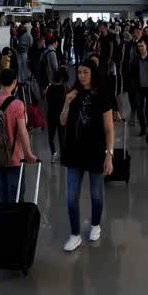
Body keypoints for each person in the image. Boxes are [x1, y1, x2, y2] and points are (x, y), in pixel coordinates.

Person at [59, 59, 114, 251]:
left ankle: (95, 224)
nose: (81, 76)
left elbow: (108, 128)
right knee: (71, 196)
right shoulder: (73, 94)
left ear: (93, 73)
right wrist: (67, 102)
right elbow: (63, 121)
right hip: (74, 152)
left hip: (95, 152)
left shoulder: (102, 96)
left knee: (95, 194)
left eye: (85, 72)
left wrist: (109, 155)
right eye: (79, 72)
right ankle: (74, 234)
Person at [0, 68, 37, 204]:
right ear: (15, 82)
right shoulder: (17, 105)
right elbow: (23, 132)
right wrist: (28, 153)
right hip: (14, 157)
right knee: (16, 195)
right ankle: (15, 222)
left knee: (2, 190)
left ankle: (3, 221)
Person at [129, 38, 148, 136]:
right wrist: (133, 85)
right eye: (139, 47)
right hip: (139, 88)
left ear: (146, 46)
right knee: (139, 108)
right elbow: (132, 73)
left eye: (142, 46)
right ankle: (143, 127)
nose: (140, 48)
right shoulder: (135, 59)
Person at [46, 65, 69, 163]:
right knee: (61, 136)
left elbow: (47, 101)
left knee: (51, 136)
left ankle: (53, 154)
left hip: (51, 115)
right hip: (61, 116)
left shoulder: (50, 89)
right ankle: (63, 155)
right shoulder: (64, 89)